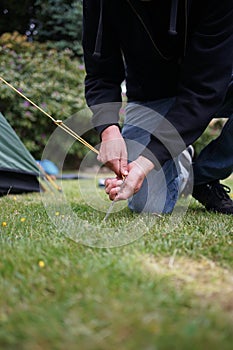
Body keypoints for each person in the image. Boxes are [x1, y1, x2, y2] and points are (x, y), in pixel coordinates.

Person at [82, 0, 233, 214]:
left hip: (215, 85)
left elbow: (203, 91)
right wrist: (108, 130)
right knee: (148, 205)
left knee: (148, 166)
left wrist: (147, 161)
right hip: (151, 95)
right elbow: (100, 73)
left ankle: (202, 176)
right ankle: (178, 158)